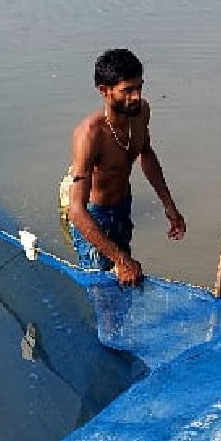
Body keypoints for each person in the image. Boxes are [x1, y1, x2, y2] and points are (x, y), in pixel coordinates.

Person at [65, 48, 186, 286]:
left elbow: (146, 154)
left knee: (126, 283)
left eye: (139, 87)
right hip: (94, 216)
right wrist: (120, 260)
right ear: (105, 91)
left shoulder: (141, 113)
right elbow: (76, 211)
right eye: (127, 90)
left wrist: (169, 206)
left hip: (122, 207)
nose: (136, 96)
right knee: (101, 291)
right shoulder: (90, 135)